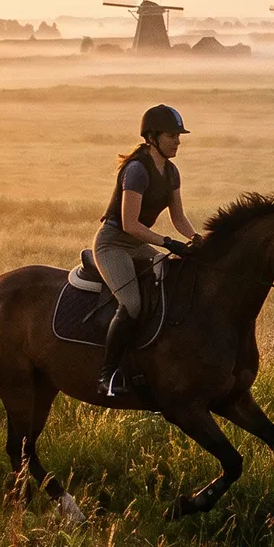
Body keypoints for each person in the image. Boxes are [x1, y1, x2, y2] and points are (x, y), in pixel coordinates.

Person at [94, 104, 199, 396]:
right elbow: (129, 225)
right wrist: (168, 243)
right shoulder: (137, 170)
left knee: (168, 286)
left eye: (179, 136)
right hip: (113, 243)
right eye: (172, 136)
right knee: (132, 304)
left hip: (138, 244)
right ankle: (107, 375)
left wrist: (197, 239)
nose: (178, 142)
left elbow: (179, 218)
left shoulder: (171, 171)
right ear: (152, 137)